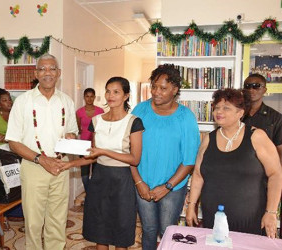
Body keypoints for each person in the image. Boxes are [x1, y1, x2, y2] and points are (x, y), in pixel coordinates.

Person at [60, 76, 144, 250]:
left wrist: (104, 151)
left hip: (122, 181)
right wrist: (69, 164)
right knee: (101, 231)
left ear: (126, 95)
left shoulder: (134, 122)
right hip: (99, 179)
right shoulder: (96, 121)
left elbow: (135, 158)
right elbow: (92, 155)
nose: (110, 95)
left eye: (116, 92)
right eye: (107, 91)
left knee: (121, 231)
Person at [186, 88, 282, 238]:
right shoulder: (208, 139)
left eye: (226, 108)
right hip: (214, 218)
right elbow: (198, 174)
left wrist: (271, 212)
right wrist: (191, 205)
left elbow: (276, 174)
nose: (219, 111)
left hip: (250, 220)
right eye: (216, 107)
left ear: (240, 113)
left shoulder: (257, 136)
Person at [5, 53, 78, 250]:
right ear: (36, 73)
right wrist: (40, 159)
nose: (48, 73)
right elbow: (13, 141)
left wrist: (71, 136)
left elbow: (72, 130)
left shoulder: (67, 101)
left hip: (61, 167)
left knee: (57, 220)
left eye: (52, 68)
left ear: (59, 73)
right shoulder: (23, 101)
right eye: (43, 69)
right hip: (34, 166)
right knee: (33, 222)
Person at [131, 64, 200, 250]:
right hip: (143, 184)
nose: (156, 92)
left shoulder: (186, 117)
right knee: (148, 229)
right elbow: (128, 151)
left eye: (163, 88)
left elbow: (189, 160)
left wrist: (167, 186)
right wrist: (139, 183)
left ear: (175, 89)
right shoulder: (140, 110)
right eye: (154, 86)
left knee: (168, 232)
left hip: (173, 188)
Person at [242, 73, 282, 164]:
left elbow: (280, 152)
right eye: (247, 86)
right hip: (238, 168)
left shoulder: (275, 118)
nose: (251, 90)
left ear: (264, 90)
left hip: (264, 171)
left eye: (256, 86)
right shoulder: (236, 114)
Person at [76, 88, 104, 192]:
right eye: (87, 96)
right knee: (84, 175)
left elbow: (103, 128)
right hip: (83, 146)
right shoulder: (79, 112)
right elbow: (78, 129)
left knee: (96, 174)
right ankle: (89, 194)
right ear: (84, 97)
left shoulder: (100, 111)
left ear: (94, 97)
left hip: (97, 146)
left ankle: (94, 196)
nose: (89, 98)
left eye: (91, 96)